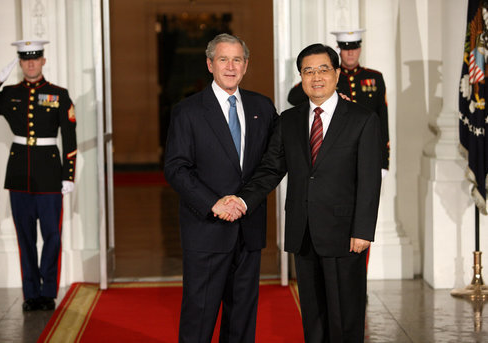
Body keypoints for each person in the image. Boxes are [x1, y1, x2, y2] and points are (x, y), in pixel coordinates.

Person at [218, 43, 382, 342]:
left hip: (345, 234)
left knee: (345, 316)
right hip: (303, 231)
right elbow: (270, 169)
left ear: (335, 74)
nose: (316, 77)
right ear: (301, 78)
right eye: (308, 71)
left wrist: (363, 231)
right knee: (313, 316)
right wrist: (241, 200)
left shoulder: (362, 119)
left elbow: (370, 180)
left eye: (323, 70)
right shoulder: (289, 121)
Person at [163, 33, 277, 343]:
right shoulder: (188, 111)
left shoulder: (262, 107)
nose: (230, 66)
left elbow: (276, 158)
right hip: (206, 229)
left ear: (246, 65)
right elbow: (176, 167)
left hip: (248, 227)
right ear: (210, 64)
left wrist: (243, 201)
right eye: (223, 59)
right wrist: (214, 203)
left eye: (237, 59)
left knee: (241, 318)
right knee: (199, 317)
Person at [0, 40, 77, 312]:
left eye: (35, 58)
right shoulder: (9, 94)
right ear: (19, 64)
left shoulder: (58, 94)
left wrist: (69, 176)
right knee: (25, 237)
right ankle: (31, 293)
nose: (31, 63)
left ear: (43, 61)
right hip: (19, 176)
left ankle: (48, 293)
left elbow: (69, 136)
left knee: (52, 236)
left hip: (51, 176)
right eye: (25, 59)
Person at [287, 29, 389, 173]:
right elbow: (293, 97)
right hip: (335, 154)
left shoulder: (374, 77)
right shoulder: (328, 76)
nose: (350, 53)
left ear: (360, 49)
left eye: (354, 48)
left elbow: (382, 121)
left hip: (366, 149)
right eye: (346, 48)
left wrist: (383, 161)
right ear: (339, 50)